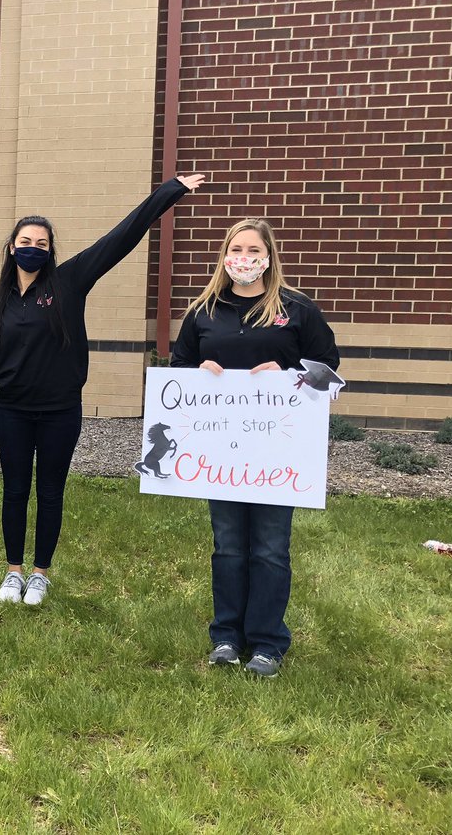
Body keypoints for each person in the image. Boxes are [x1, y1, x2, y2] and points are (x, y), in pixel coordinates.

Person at [0, 175, 205, 606]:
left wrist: (171, 190)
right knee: (15, 489)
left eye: (42, 242)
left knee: (51, 490)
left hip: (60, 410)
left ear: (50, 250)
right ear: (10, 248)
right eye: (25, 240)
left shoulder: (70, 282)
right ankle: (13, 571)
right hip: (13, 410)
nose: (33, 247)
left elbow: (123, 236)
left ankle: (40, 574)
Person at [171, 218, 339, 678]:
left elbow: (329, 369)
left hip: (277, 452)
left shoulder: (296, 309)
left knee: (268, 547)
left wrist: (291, 375)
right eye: (235, 248)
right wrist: (196, 371)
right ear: (225, 254)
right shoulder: (204, 310)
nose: (243, 258)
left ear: (268, 256)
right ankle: (225, 635)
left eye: (252, 249)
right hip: (220, 453)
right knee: (227, 545)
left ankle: (267, 641)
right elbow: (178, 366)